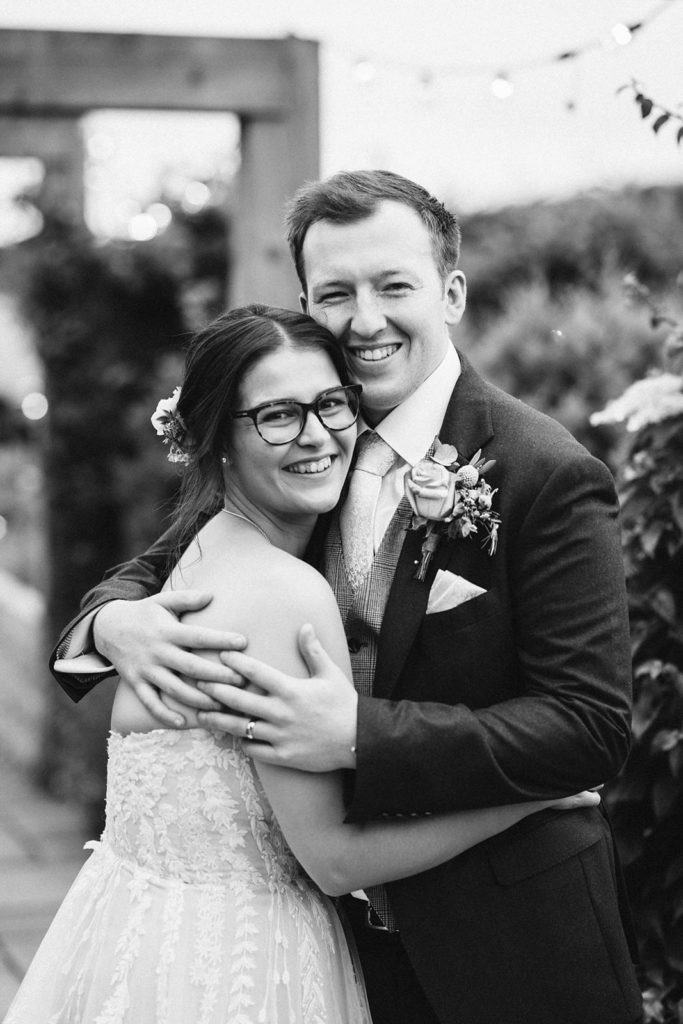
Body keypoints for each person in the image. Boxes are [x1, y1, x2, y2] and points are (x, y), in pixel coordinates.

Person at [51, 172, 643, 1024]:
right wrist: (111, 625)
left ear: (450, 292)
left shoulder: (542, 471)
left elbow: (589, 722)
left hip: (514, 946)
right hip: (339, 951)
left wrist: (358, 736)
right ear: (306, 301)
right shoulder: (304, 440)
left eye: (392, 286)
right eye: (335, 293)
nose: (364, 320)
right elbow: (164, 562)